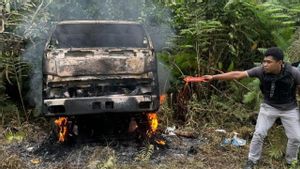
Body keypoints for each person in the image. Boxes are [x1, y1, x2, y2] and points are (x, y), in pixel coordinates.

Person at [202, 47, 300, 169]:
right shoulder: (260, 71)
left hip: (289, 108)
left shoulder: (294, 72)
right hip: (268, 107)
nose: (264, 64)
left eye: (269, 62)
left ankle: (291, 162)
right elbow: (238, 75)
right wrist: (213, 77)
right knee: (259, 133)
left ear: (280, 63)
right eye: (264, 61)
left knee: (296, 138)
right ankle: (252, 160)